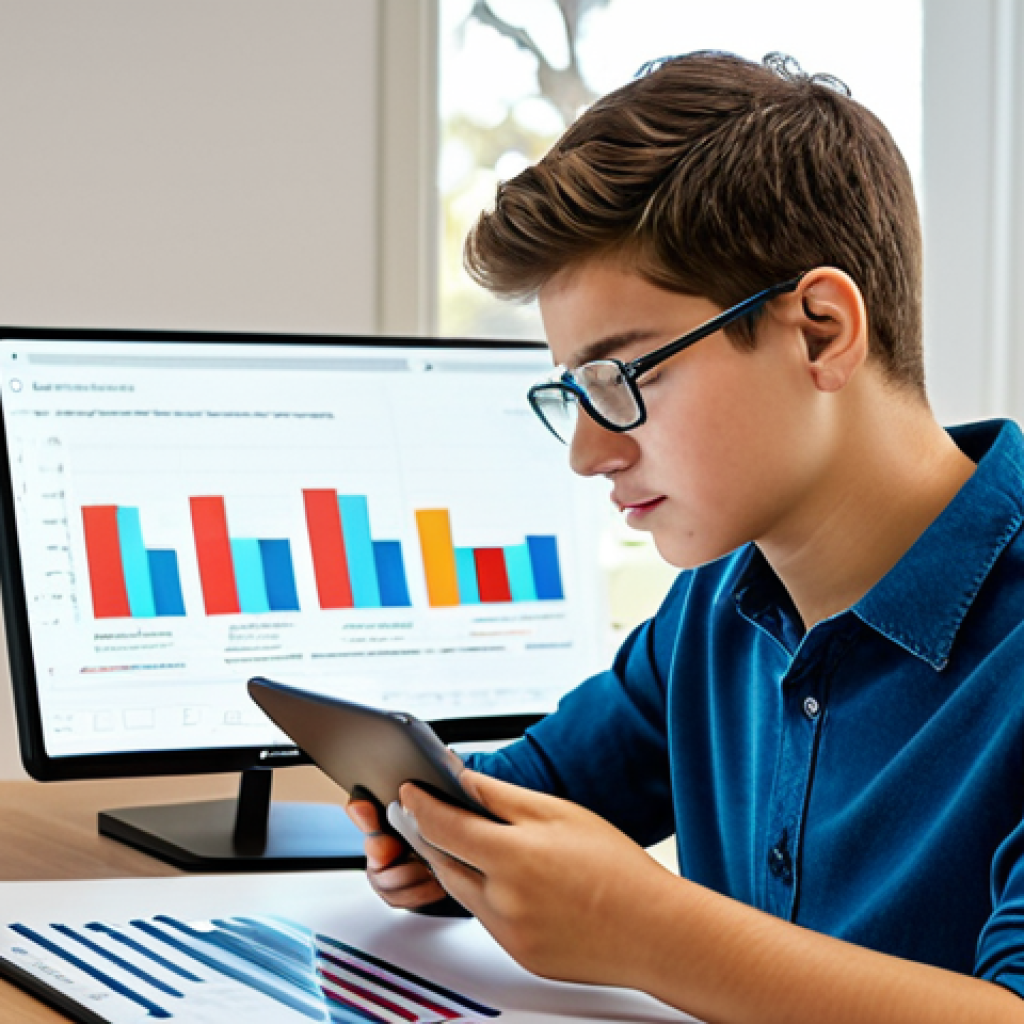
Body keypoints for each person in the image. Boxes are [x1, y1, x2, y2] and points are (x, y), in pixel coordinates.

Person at [347, 51, 1024, 1023]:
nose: (587, 453)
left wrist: (647, 932)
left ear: (820, 331)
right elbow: (532, 790)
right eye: (572, 394)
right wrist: (437, 834)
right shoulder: (720, 604)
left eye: (622, 379)